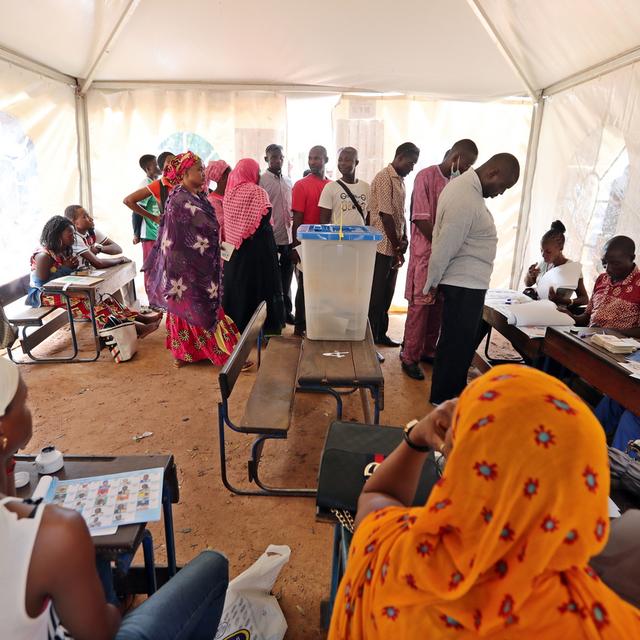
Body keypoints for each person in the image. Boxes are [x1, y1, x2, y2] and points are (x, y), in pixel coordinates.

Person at [328, 364, 640, 639]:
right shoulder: (602, 622)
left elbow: (378, 495)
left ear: (462, 466)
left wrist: (418, 435)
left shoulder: (395, 557)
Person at [0, 357, 229, 640]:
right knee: (214, 565)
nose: (29, 411)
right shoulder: (54, 533)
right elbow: (101, 633)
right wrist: (110, 602)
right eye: (24, 403)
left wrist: (6, 458)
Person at [424, 153, 520, 404]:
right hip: (463, 285)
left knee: (460, 345)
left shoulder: (467, 190)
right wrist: (432, 282)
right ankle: (444, 402)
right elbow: (445, 244)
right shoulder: (466, 196)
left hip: (467, 285)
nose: (501, 193)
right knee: (455, 346)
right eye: (503, 187)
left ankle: (450, 395)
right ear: (493, 173)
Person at [143, 151, 240, 367]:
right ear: (185, 173)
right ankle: (213, 353)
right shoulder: (179, 199)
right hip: (183, 267)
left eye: (203, 169)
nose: (203, 173)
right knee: (191, 307)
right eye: (199, 169)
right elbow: (184, 235)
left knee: (197, 305)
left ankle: (192, 353)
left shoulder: (196, 195)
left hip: (195, 263)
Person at [400, 140, 478, 380]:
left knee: (438, 307)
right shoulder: (425, 176)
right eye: (467, 163)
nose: (467, 169)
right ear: (455, 156)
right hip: (426, 254)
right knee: (420, 307)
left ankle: (427, 350)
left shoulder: (459, 185)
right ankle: (409, 357)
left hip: (448, 258)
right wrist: (444, 244)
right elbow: (422, 219)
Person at [562, 235, 640, 450]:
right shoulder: (602, 279)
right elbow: (586, 317)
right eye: (605, 262)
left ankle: (609, 456)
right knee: (554, 351)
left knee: (624, 392)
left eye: (615, 263)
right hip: (592, 340)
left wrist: (612, 332)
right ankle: (587, 439)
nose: (608, 268)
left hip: (620, 349)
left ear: (631, 258)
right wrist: (566, 314)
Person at [26, 216, 161, 338]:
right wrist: (65, 268)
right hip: (42, 295)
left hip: (59, 290)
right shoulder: (43, 256)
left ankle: (142, 319)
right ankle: (136, 329)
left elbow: (61, 276)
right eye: (70, 234)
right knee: (89, 303)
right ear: (58, 235)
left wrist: (68, 268)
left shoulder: (62, 251)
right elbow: (42, 283)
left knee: (105, 299)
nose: (73, 237)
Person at [222, 158, 285, 335]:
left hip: (235, 252)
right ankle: (264, 329)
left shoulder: (229, 193)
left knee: (239, 288)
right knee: (261, 287)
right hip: (258, 251)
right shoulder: (258, 192)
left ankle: (237, 328)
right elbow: (264, 218)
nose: (257, 176)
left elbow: (231, 224)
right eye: (256, 172)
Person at [368, 142, 420, 348]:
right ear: (399, 157)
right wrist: (398, 246)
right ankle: (370, 343)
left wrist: (404, 238)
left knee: (387, 295)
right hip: (381, 247)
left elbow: (401, 215)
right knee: (376, 296)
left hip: (393, 246)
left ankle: (381, 334)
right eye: (410, 162)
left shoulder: (400, 181)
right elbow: (386, 216)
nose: (412, 167)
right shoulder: (384, 177)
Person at [291, 145, 331, 336]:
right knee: (305, 287)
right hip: (306, 245)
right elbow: (297, 220)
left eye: (317, 158)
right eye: (310, 158)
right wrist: (295, 247)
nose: (313, 162)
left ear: (326, 160)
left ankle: (319, 324)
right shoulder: (301, 185)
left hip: (327, 245)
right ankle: (300, 326)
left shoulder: (332, 186)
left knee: (323, 287)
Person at [260, 144, 295, 324]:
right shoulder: (261, 181)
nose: (277, 160)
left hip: (287, 237)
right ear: (266, 159)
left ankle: (287, 312)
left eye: (280, 157)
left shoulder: (289, 181)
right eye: (273, 157)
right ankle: (274, 317)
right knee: (273, 279)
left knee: (287, 278)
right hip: (271, 238)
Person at [524, 220, 589, 306]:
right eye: (541, 250)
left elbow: (584, 299)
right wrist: (530, 275)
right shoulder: (543, 264)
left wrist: (564, 301)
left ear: (560, 248)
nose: (543, 255)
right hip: (537, 306)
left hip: (556, 313)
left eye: (548, 252)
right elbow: (528, 284)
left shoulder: (572, 269)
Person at [131, 155, 161, 298]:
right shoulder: (145, 185)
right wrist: (136, 233)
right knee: (151, 269)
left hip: (157, 233)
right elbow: (135, 211)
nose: (158, 167)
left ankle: (159, 300)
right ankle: (152, 301)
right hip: (148, 234)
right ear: (148, 168)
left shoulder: (156, 183)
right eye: (155, 165)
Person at [318, 146, 369, 226]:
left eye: (347, 160)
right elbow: (324, 222)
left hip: (361, 237)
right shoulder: (330, 188)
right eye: (340, 160)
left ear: (356, 163)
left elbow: (369, 219)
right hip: (338, 237)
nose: (342, 163)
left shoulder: (366, 187)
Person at [64, 205, 126, 269]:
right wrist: (120, 259)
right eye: (85, 217)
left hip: (87, 272)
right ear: (74, 223)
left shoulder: (91, 232)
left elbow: (118, 249)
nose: (91, 219)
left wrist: (99, 249)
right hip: (75, 275)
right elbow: (98, 263)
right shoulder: (74, 238)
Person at [123, 151, 176, 221]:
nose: (173, 164)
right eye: (156, 165)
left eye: (175, 161)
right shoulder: (150, 184)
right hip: (153, 229)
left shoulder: (179, 182)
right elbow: (131, 205)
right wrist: (154, 218)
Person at [204, 159, 231, 239]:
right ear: (223, 178)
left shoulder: (229, 195)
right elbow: (223, 227)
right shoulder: (212, 201)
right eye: (231, 175)